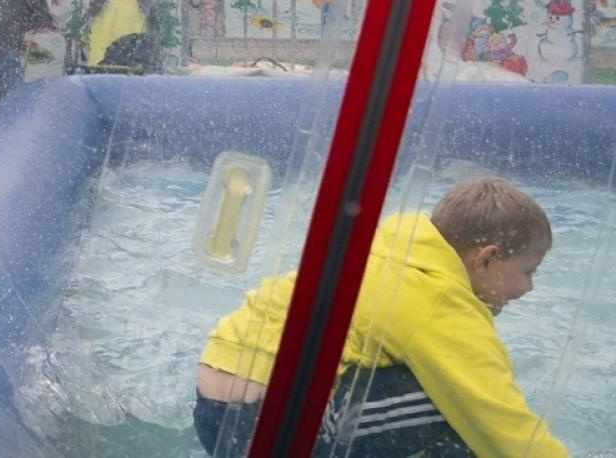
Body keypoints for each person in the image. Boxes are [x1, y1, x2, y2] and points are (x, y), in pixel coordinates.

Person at [195, 177, 567, 457]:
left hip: (217, 412)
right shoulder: (435, 300)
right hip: (270, 426)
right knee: (460, 412)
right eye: (528, 271)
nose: (527, 289)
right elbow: (502, 424)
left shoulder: (391, 250)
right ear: (485, 258)